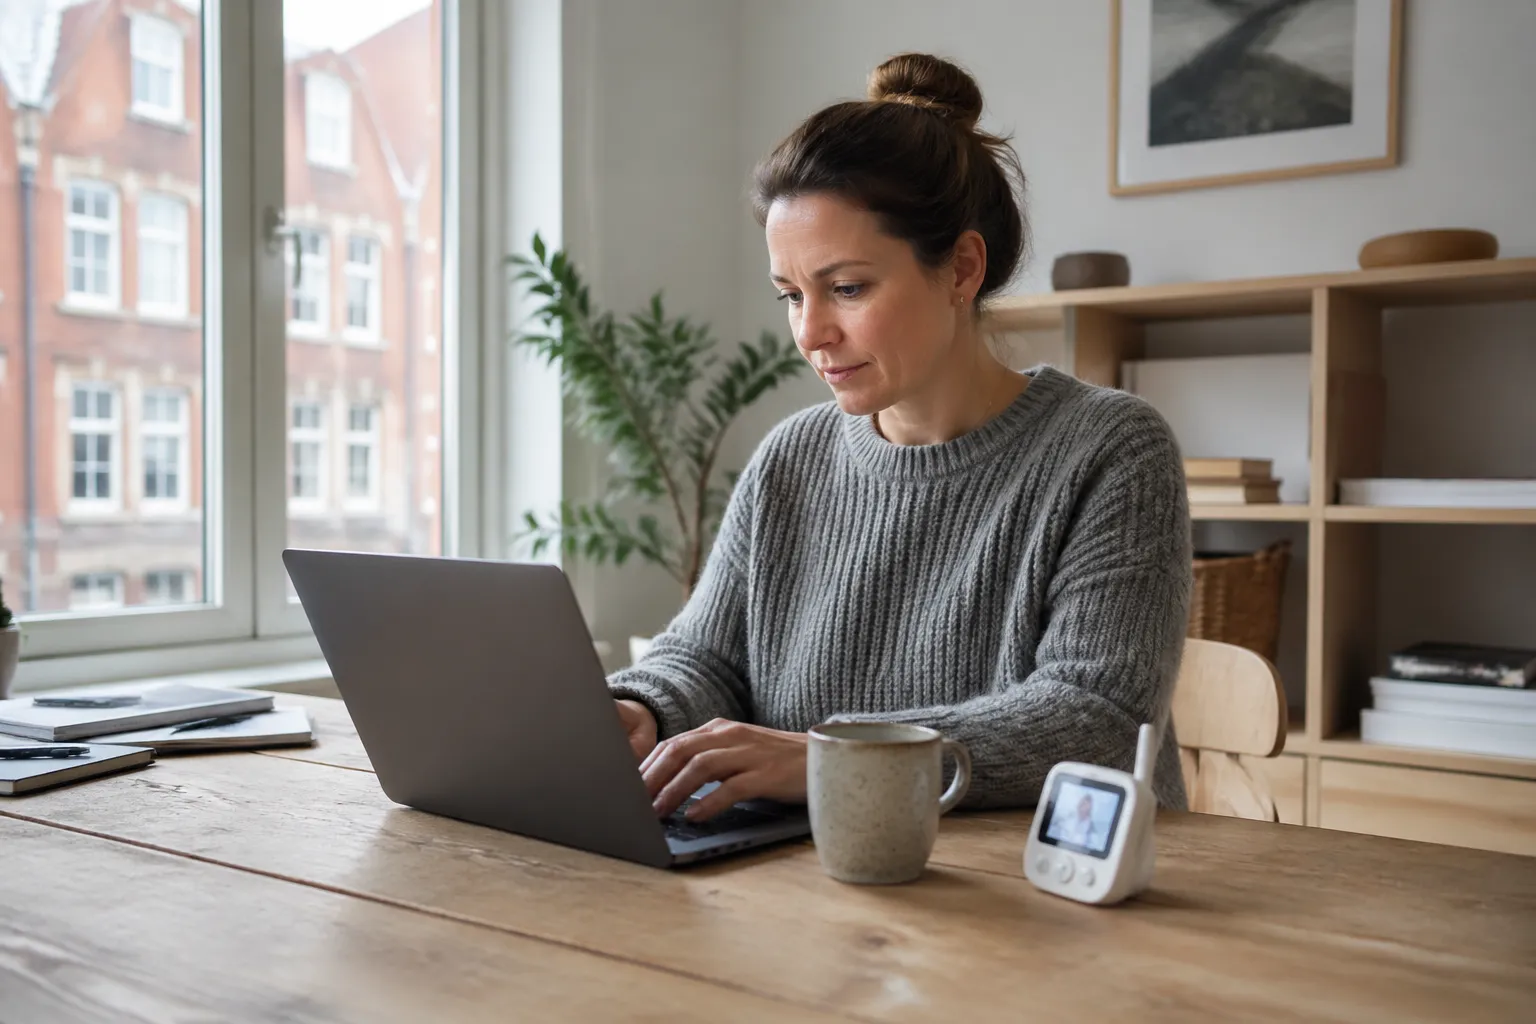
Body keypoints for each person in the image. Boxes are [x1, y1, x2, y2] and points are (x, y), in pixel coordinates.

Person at [608, 52, 1192, 823]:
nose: (811, 332)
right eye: (791, 294)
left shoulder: (1111, 449)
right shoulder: (792, 457)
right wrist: (644, 711)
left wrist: (835, 759)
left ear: (960, 269)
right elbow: (707, 657)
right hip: (822, 883)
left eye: (846, 288)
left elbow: (1096, 718)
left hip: (1052, 898)